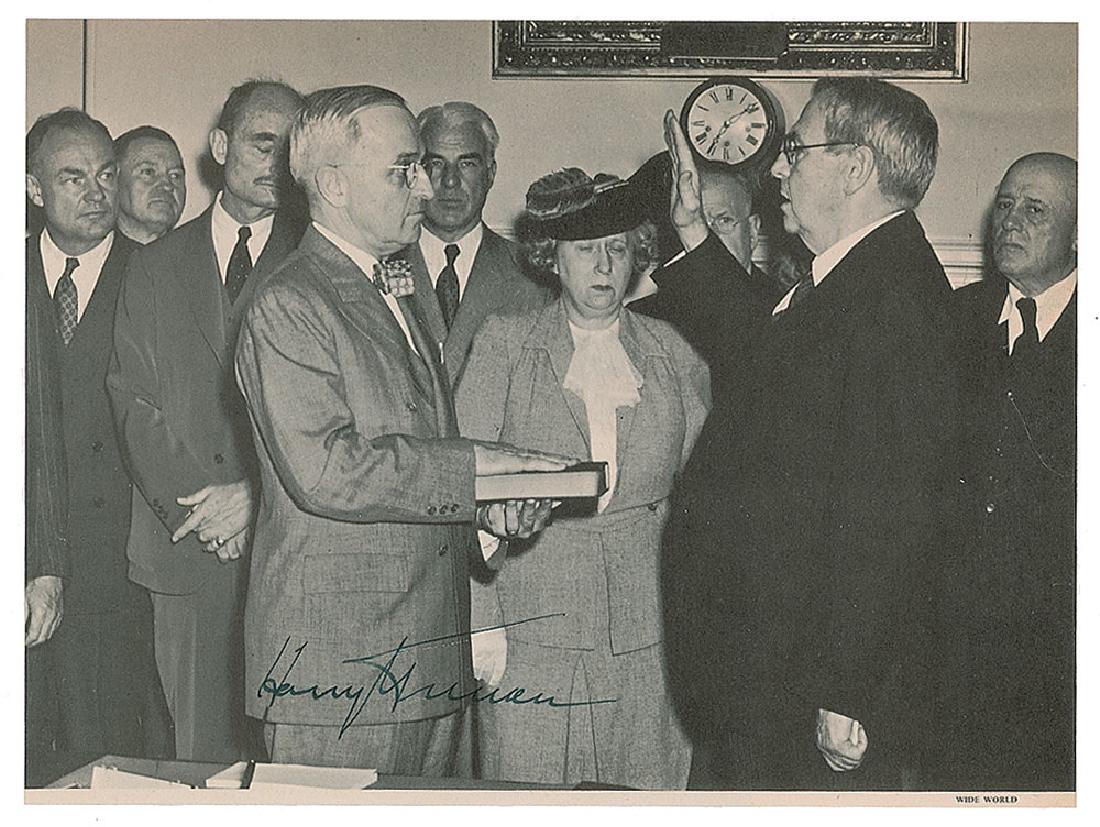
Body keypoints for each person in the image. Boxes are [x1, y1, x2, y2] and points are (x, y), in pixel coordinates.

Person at [234, 84, 564, 773]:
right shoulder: (290, 301)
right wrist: (482, 470)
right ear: (332, 185)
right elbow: (330, 471)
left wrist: (490, 514)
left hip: (424, 659)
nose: (424, 188)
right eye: (403, 169)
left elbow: (418, 460)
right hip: (338, 670)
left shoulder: (389, 288)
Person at [659, 78, 959, 790]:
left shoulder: (895, 304)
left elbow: (891, 519)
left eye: (795, 148)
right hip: (776, 674)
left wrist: (846, 691)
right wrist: (696, 235)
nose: (777, 168)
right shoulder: (859, 280)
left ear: (855, 167)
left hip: (811, 693)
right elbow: (773, 365)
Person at [456, 168, 711, 789]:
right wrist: (481, 622)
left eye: (618, 249)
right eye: (586, 251)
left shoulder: (674, 353)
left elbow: (703, 501)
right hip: (532, 630)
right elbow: (461, 491)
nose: (604, 266)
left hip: (652, 636)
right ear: (553, 259)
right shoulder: (505, 346)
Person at [107, 79, 305, 763]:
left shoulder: (319, 260)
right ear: (220, 147)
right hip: (184, 549)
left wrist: (255, 496)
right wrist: (205, 510)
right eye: (261, 142)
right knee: (194, 761)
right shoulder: (154, 265)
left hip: (289, 548)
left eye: (291, 147)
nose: (276, 162)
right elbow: (133, 402)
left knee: (291, 767)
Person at [25, 107, 170, 781]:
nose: (96, 193)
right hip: (23, 556)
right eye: (73, 178)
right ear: (33, 189)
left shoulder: (159, 277)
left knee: (109, 754)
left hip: (119, 572)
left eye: (106, 175)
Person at [936, 153, 1077, 791]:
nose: (1010, 223)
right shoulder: (952, 320)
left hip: (1062, 650)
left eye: (1035, 210)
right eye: (1006, 205)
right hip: (953, 645)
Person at [403, 102, 553, 385]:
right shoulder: (380, 265)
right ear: (416, 174)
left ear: (490, 173)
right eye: (435, 164)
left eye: (467, 164)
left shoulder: (535, 277)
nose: (450, 181)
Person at [627, 155, 782, 394]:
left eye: (723, 220)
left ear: (752, 232)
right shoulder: (644, 320)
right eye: (699, 223)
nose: (709, 237)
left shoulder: (787, 310)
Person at [113, 125, 186, 244]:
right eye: (148, 172)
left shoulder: (200, 255)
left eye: (175, 175)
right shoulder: (91, 256)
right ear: (115, 180)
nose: (167, 185)